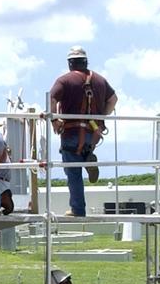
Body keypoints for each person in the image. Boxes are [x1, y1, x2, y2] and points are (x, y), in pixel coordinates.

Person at [49, 46, 116, 216]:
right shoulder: (100, 80)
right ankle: (87, 156)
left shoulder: (64, 80)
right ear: (85, 61)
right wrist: (101, 117)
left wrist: (55, 119)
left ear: (70, 63)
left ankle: (78, 209)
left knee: (73, 171)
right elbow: (113, 99)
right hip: (92, 133)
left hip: (71, 133)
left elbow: (52, 97)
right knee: (83, 151)